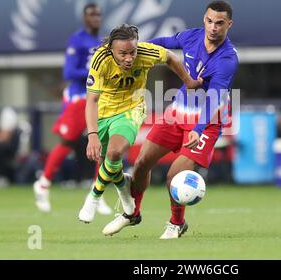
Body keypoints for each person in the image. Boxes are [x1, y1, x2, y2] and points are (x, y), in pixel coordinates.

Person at [101, 0, 239, 239]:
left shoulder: (227, 59)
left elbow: (215, 98)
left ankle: (177, 223)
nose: (213, 27)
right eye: (209, 21)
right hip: (177, 113)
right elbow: (162, 45)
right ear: (204, 19)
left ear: (229, 24)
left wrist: (198, 128)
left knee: (174, 176)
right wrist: (129, 49)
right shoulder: (191, 37)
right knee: (142, 163)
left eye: (219, 23)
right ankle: (132, 213)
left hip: (206, 121)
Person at [77, 23, 202, 228]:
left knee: (115, 153)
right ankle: (125, 192)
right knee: (110, 162)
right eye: (123, 53)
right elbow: (91, 100)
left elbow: (170, 57)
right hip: (103, 112)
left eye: (132, 52)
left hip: (131, 110)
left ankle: (94, 196)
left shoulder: (145, 52)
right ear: (111, 50)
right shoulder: (100, 59)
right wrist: (92, 135)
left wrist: (188, 81)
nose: (129, 58)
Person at [33, 3, 112, 214]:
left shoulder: (102, 41)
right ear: (84, 18)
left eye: (98, 14)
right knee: (67, 142)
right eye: (91, 14)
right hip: (78, 97)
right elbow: (69, 72)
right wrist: (94, 70)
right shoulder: (77, 39)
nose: (95, 17)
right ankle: (43, 184)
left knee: (103, 143)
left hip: (98, 97)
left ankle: (98, 193)